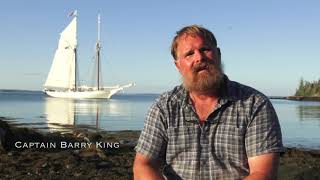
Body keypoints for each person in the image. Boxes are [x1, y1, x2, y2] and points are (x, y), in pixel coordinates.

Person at [133, 25, 283, 180]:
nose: (199, 57)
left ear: (218, 54)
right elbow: (144, 165)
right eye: (189, 54)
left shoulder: (254, 104)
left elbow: (262, 173)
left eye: (204, 49)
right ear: (178, 66)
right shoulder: (164, 107)